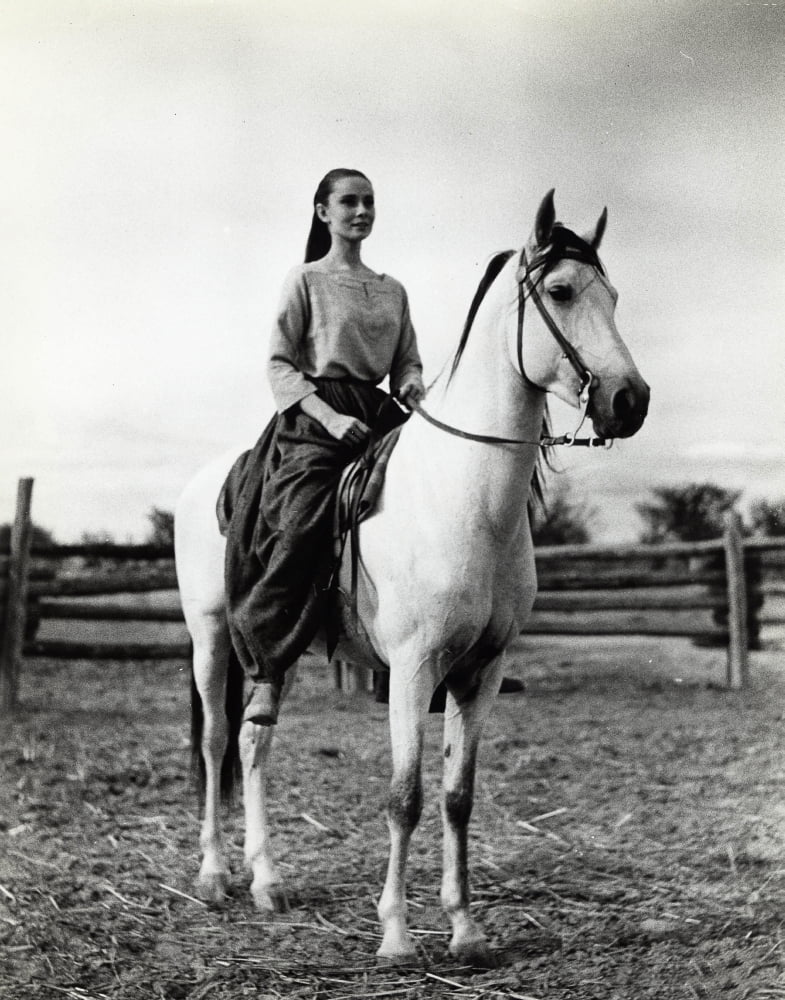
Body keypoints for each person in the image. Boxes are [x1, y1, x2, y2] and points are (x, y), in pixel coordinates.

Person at [221, 168, 426, 726]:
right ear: (323, 212)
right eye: (349, 202)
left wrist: (410, 382)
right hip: (315, 417)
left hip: (381, 413)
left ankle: (410, 661)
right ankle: (266, 671)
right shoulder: (305, 280)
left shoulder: (392, 289)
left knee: (424, 504)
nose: (361, 211)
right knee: (297, 519)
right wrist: (330, 419)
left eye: (369, 202)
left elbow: (406, 357)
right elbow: (280, 364)